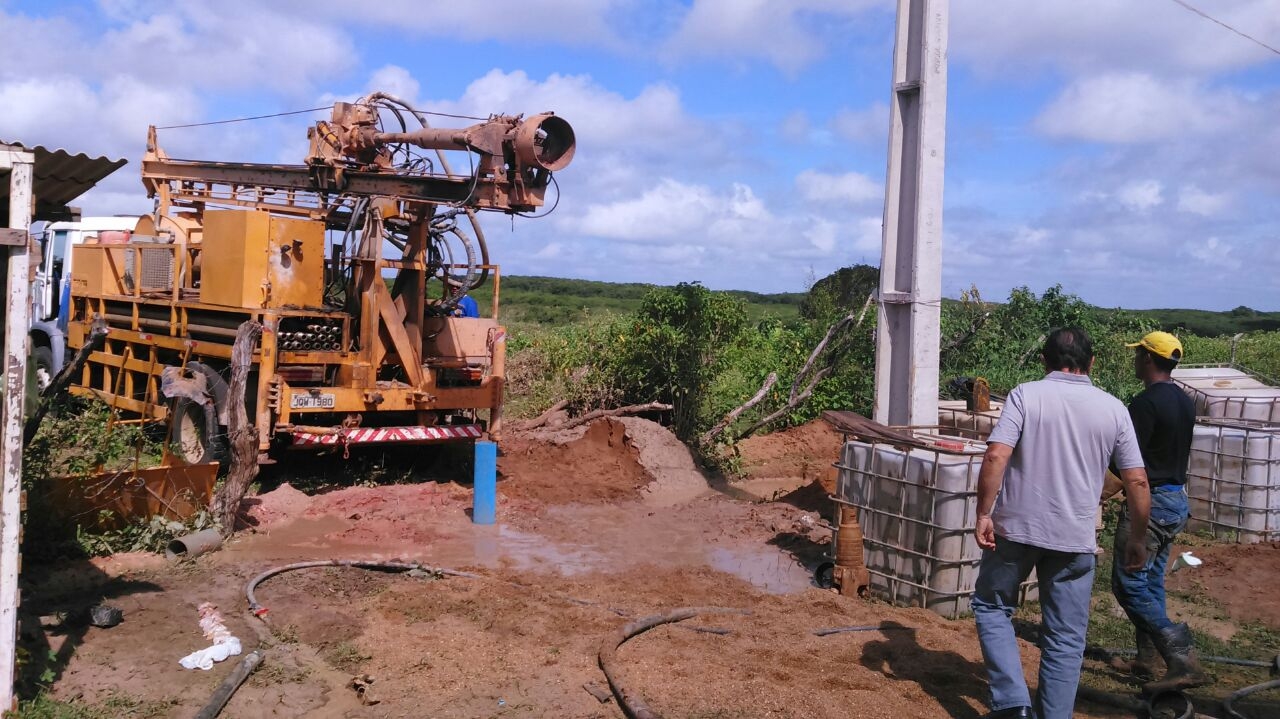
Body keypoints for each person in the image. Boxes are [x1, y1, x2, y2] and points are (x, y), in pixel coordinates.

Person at [971, 327, 1152, 719]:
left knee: (991, 606)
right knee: (1066, 638)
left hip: (1015, 530)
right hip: (1075, 536)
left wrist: (984, 513)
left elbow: (995, 457)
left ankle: (1013, 705)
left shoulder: (1025, 395)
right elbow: (1136, 479)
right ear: (1091, 363)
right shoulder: (1114, 409)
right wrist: (1138, 537)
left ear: (1044, 362)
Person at [1110, 331, 1208, 693]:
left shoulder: (1145, 404)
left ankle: (1182, 659)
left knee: (1127, 583)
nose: (1135, 360)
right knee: (1150, 581)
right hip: (1175, 500)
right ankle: (1148, 661)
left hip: (1150, 503)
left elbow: (1128, 465)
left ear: (1149, 359)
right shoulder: (1185, 401)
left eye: (1138, 355)